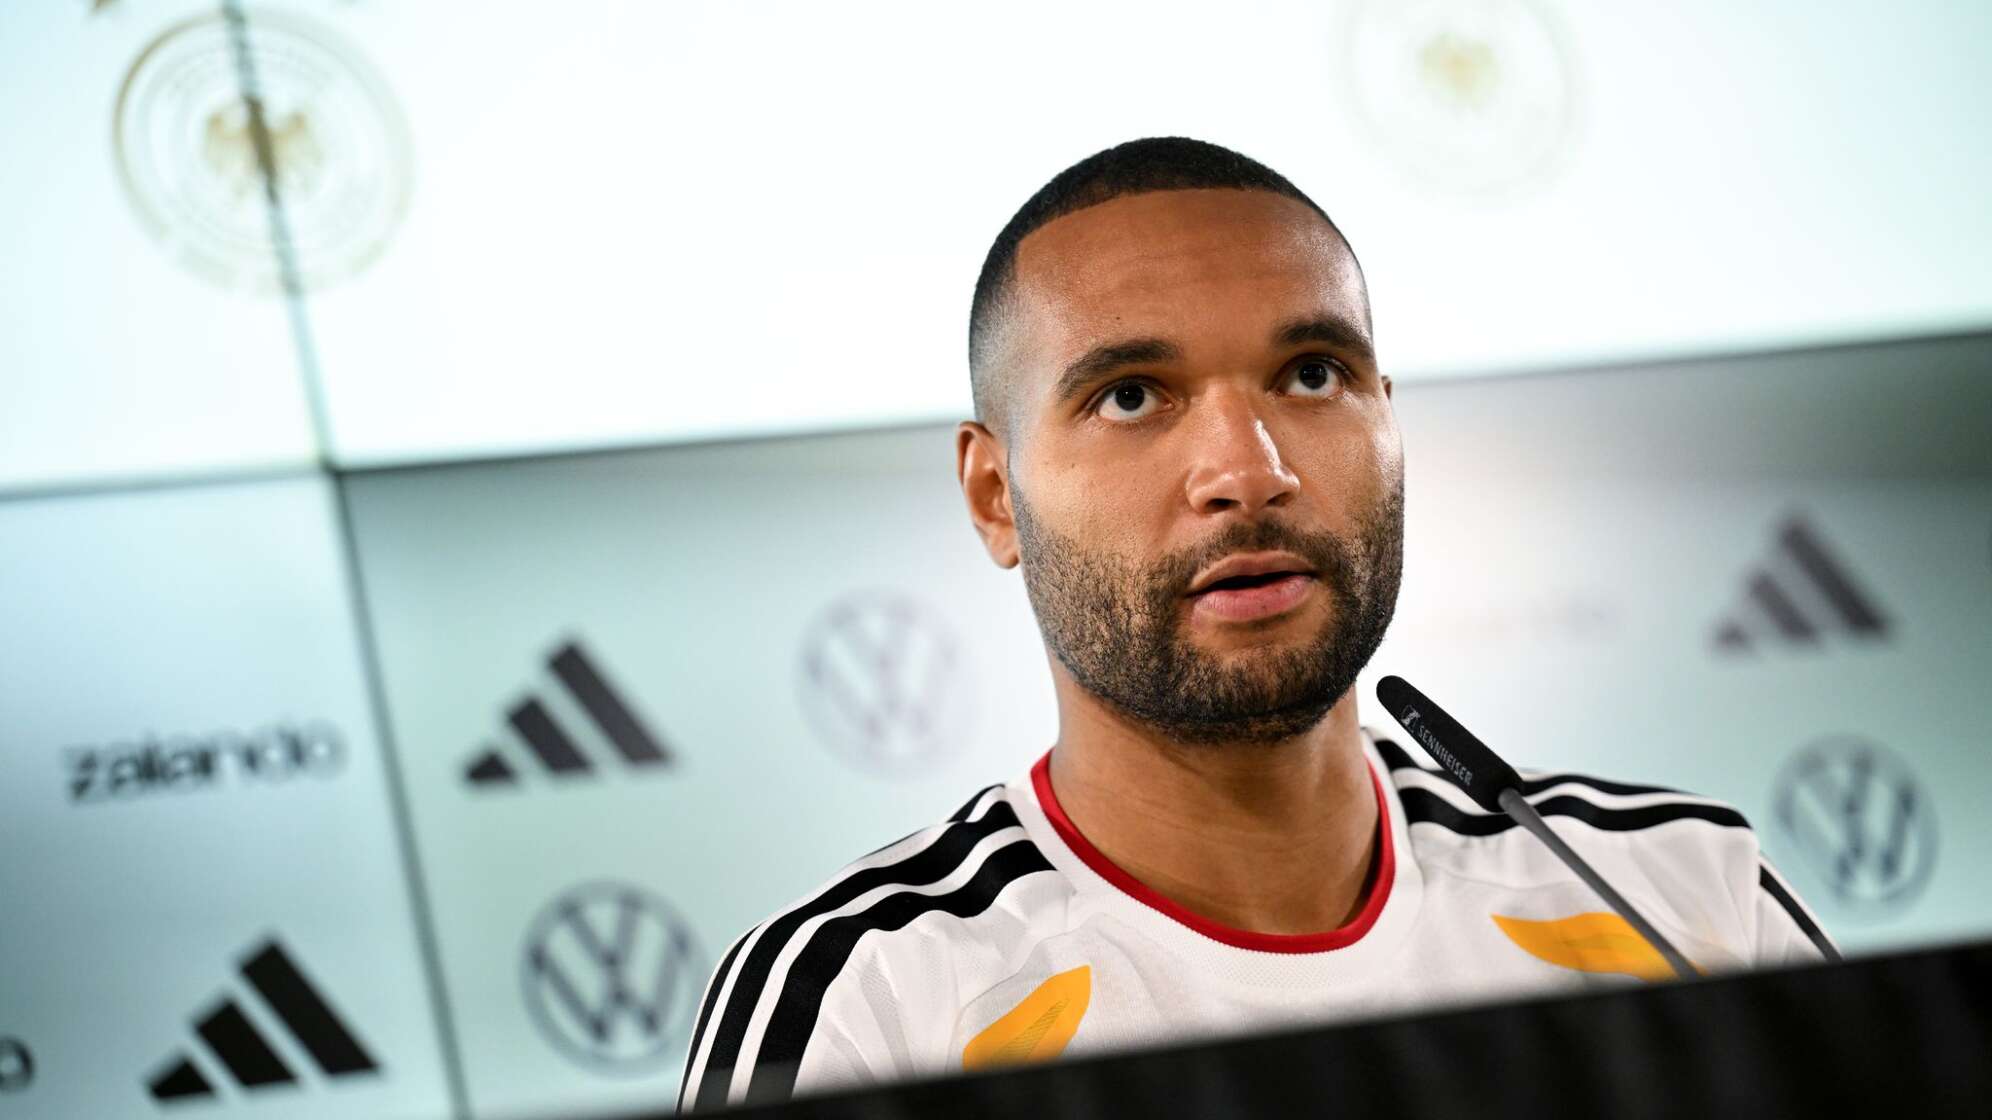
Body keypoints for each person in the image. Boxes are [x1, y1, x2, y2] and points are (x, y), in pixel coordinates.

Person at [676, 136, 1836, 1111]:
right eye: (1132, 395)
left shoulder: (1687, 888)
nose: (1250, 470)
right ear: (995, 496)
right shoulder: (867, 1001)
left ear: (1389, 418)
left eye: (1313, 374)